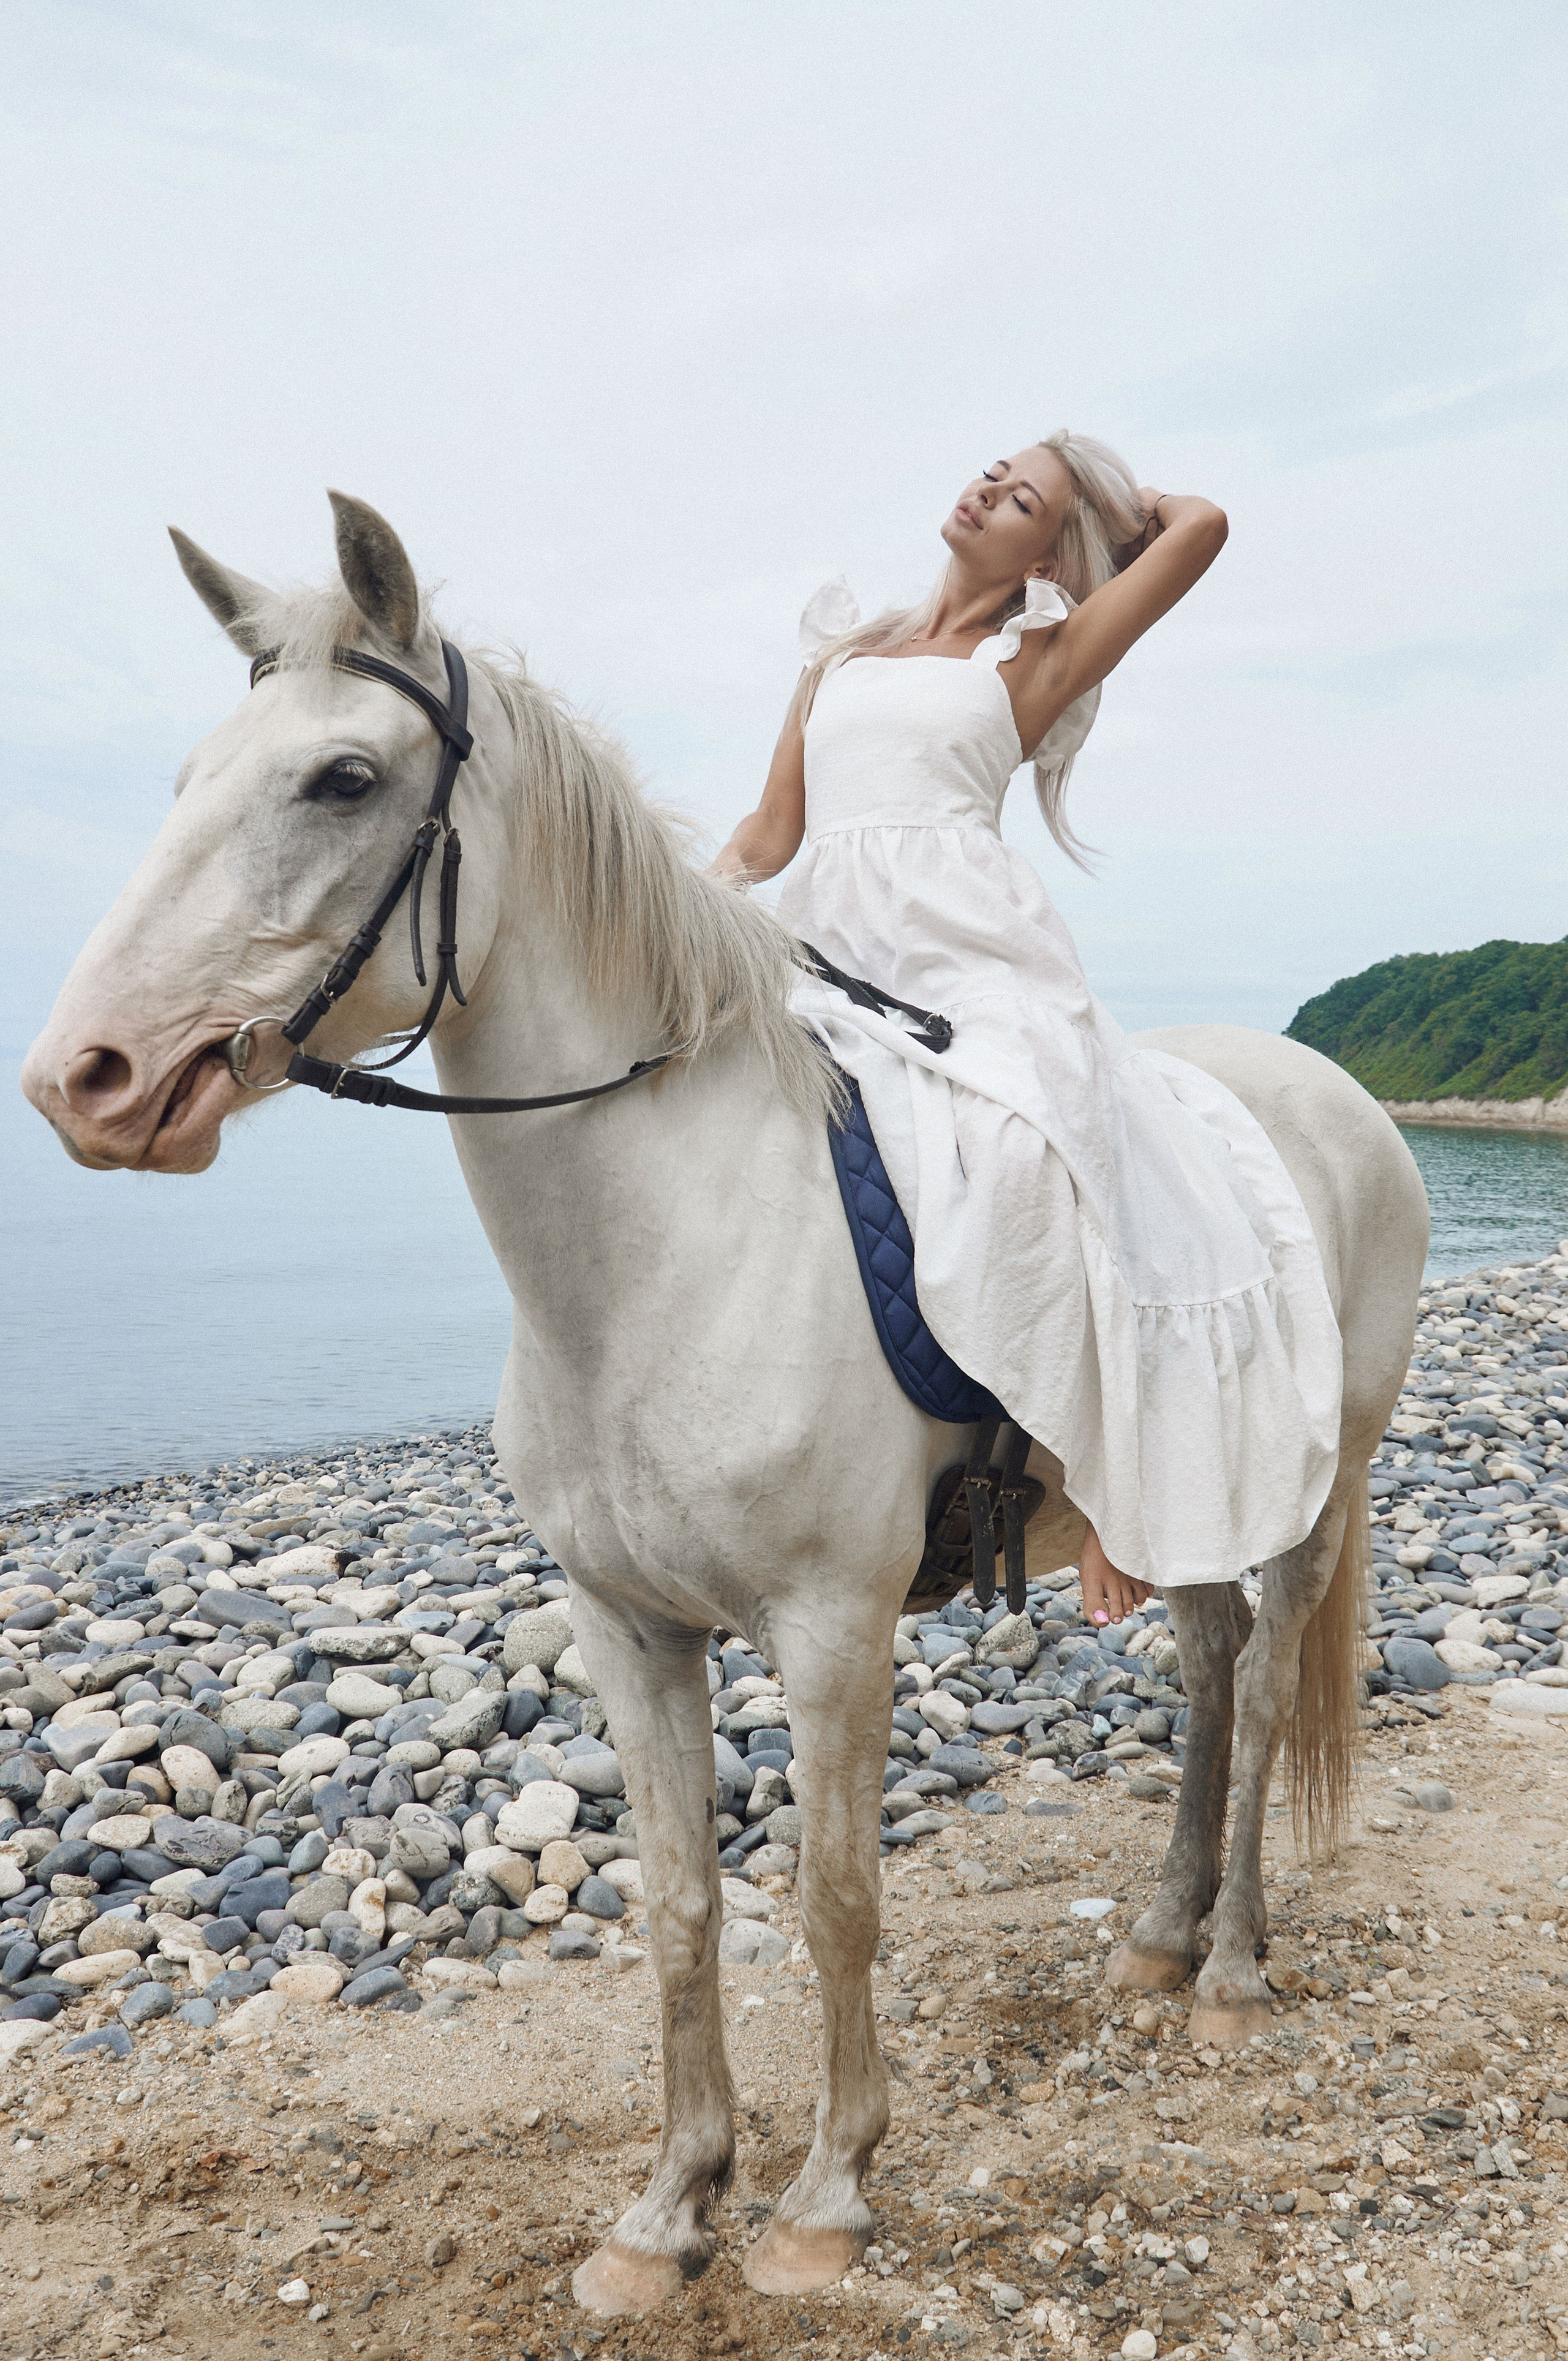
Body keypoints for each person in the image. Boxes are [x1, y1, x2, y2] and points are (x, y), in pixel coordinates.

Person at [712, 432, 1343, 1628]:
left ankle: (1103, 1486)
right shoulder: (838, 643)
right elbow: (770, 826)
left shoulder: (1040, 649)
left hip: (972, 952)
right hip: (828, 941)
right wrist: (698, 903)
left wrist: (1114, 498)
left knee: (1031, 1147)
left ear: (1054, 547)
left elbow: (1199, 527)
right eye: (990, 471)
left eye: (1020, 499)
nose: (984, 490)